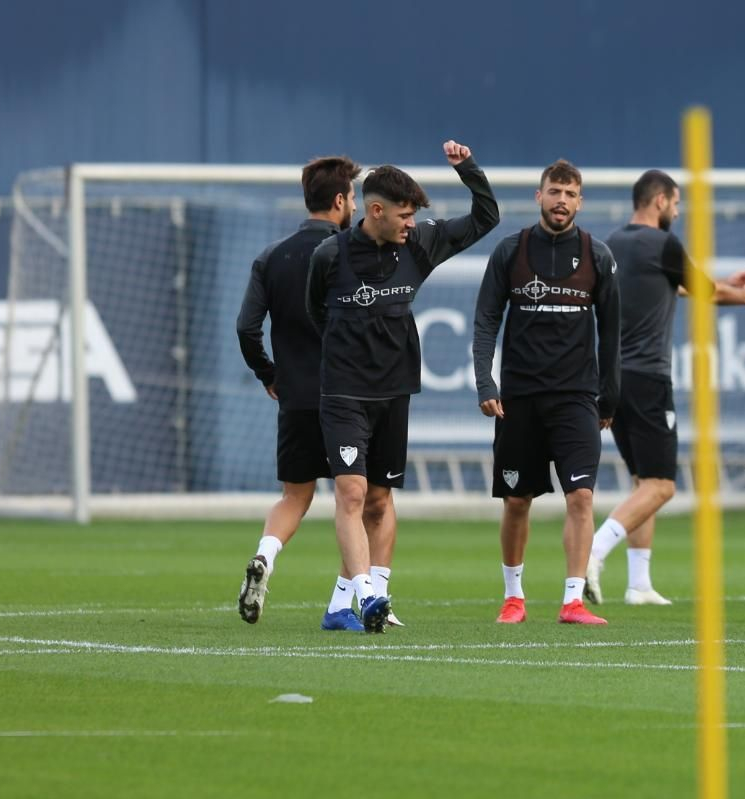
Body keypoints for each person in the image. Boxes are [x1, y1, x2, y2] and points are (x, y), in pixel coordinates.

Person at [307, 141, 498, 632]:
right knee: (350, 494)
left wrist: (467, 169)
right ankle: (368, 596)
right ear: (375, 211)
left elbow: (486, 216)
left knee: (379, 500)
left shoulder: (421, 244)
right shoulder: (330, 255)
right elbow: (314, 314)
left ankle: (365, 600)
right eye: (405, 214)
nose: (412, 222)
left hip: (394, 394)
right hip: (344, 393)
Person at [585, 169, 745, 606]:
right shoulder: (663, 243)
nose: (678, 211)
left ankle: (639, 584)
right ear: (660, 200)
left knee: (641, 481)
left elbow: (674, 287)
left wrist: (728, 285)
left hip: (611, 376)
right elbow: (704, 290)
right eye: (676, 203)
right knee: (663, 486)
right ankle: (592, 551)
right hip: (648, 377)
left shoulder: (612, 242)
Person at [474, 159, 620, 625]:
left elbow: (613, 330)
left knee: (581, 497)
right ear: (539, 196)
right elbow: (486, 321)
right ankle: (513, 597)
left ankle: (572, 601)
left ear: (580, 201)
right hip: (519, 399)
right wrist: (485, 380)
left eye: (570, 193)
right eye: (554, 192)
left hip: (576, 397)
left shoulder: (597, 255)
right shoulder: (510, 251)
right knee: (517, 501)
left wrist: (609, 394)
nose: (562, 201)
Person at [235, 155, 365, 628]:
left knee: (295, 496)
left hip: (294, 397)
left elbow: (247, 328)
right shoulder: (351, 252)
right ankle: (349, 601)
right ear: (339, 201)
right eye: (353, 197)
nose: (355, 204)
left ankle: (265, 557)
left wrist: (268, 374)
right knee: (356, 500)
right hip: (347, 398)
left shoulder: (272, 256)